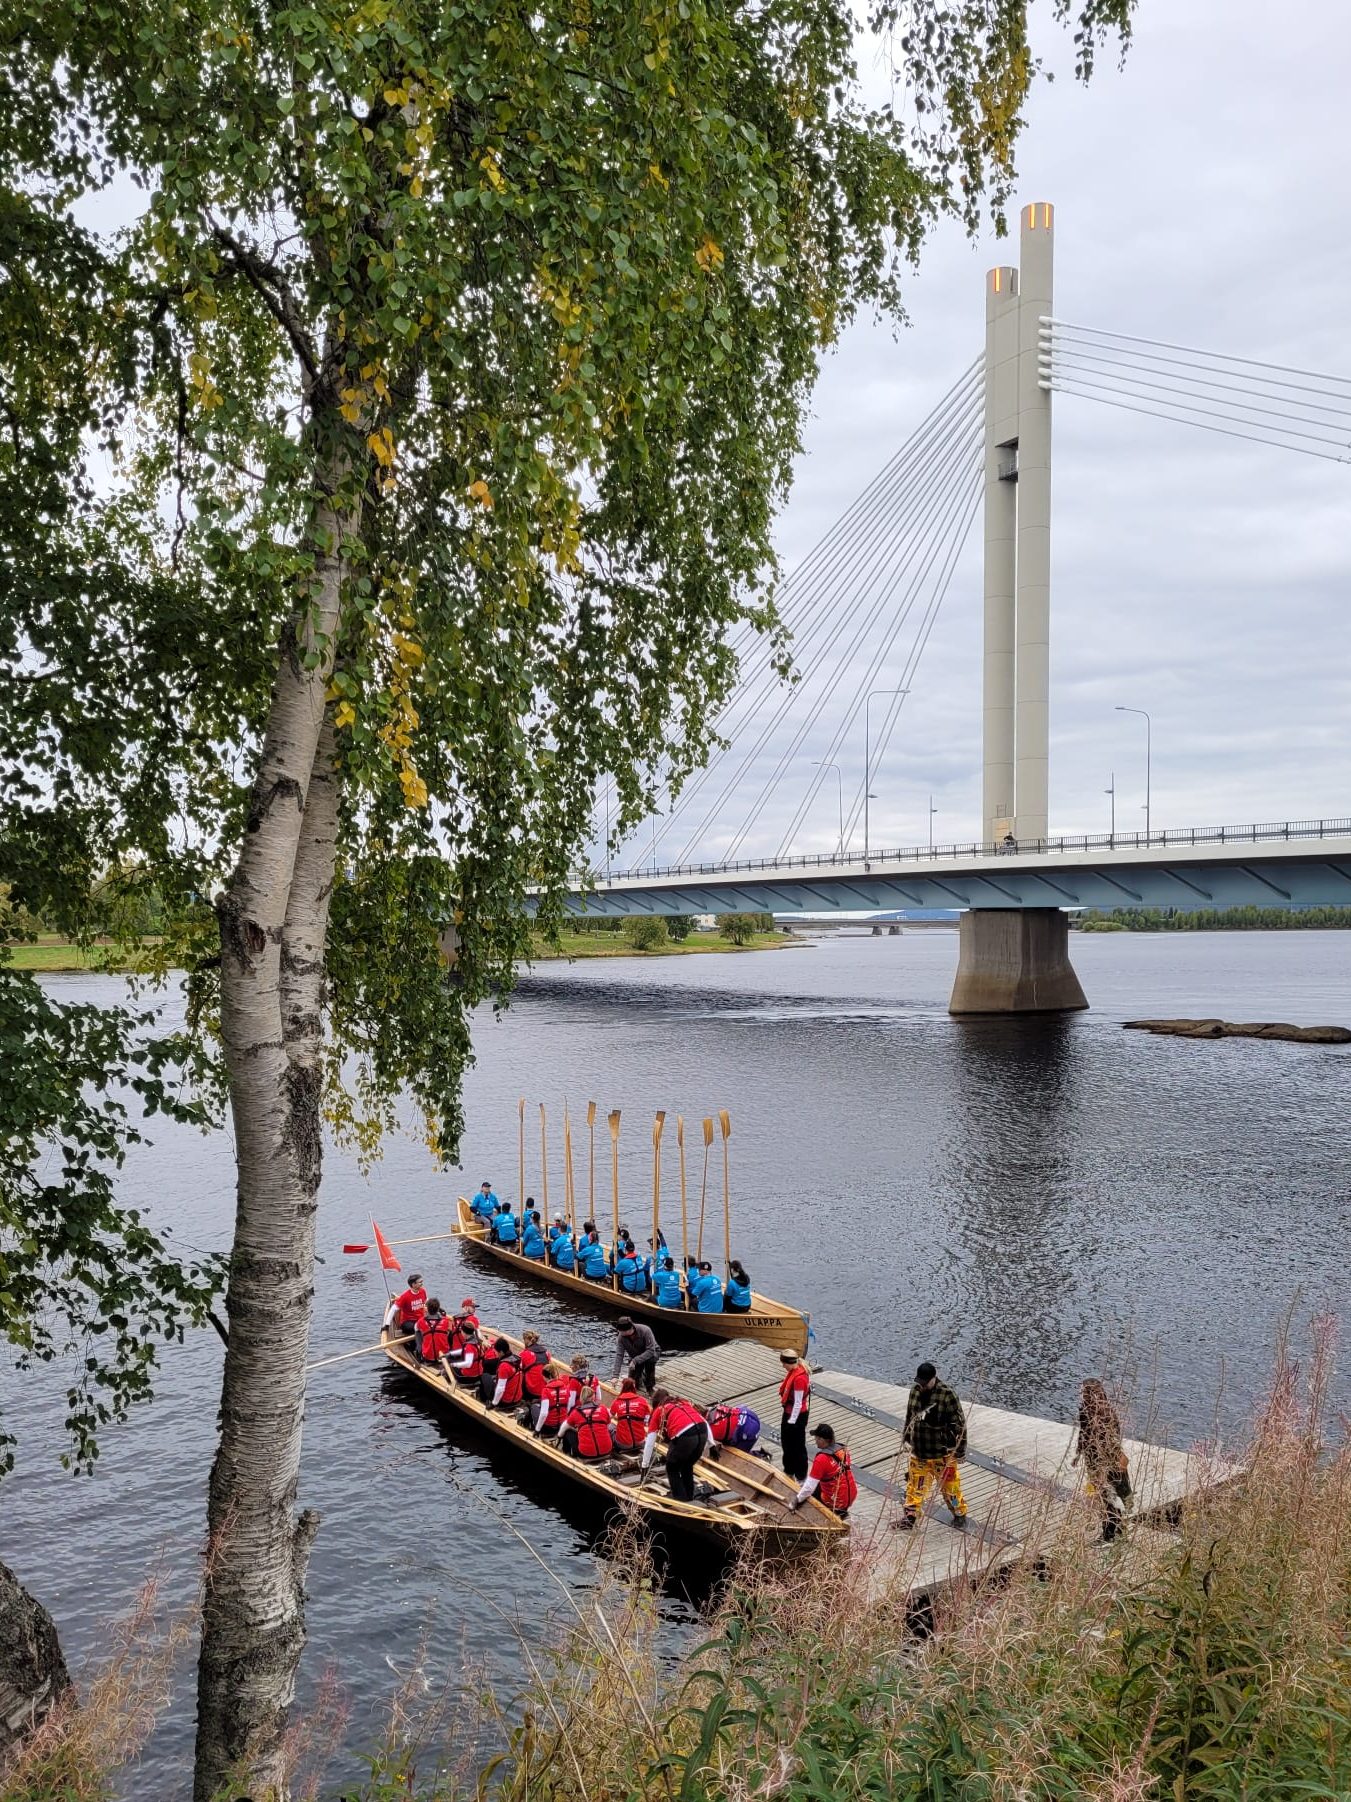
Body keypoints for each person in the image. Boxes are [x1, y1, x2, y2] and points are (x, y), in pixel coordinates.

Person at [897, 1360, 968, 1532]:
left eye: (925, 1383)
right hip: (919, 1451)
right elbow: (910, 1415)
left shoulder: (947, 1395)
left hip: (942, 1454)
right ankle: (910, 1518)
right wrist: (906, 1436)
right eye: (919, 1382)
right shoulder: (914, 1391)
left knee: (950, 1488)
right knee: (914, 1486)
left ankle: (959, 1514)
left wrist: (960, 1450)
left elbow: (959, 1424)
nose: (921, 1386)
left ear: (933, 1379)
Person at [1073, 1378, 1132, 1542]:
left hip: (1104, 1463)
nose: (1081, 1395)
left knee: (1107, 1497)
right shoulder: (1086, 1412)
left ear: (1090, 1394)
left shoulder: (1105, 1415)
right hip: (1093, 1461)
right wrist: (1078, 1454)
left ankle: (1110, 1534)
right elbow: (1083, 1435)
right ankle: (1113, 1532)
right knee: (1103, 1497)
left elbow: (1112, 1442)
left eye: (1083, 1392)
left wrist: (1104, 1468)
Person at [640, 1390, 709, 1503]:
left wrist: (644, 1467)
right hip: (703, 1431)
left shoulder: (659, 1410)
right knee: (687, 1465)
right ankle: (689, 1497)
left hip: (685, 1435)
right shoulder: (683, 1402)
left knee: (672, 1468)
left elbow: (649, 1443)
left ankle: (680, 1500)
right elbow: (703, 1421)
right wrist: (712, 1445)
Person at [788, 1423, 858, 1519]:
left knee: (808, 1495)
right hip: (851, 1494)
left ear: (822, 1440)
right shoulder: (843, 1450)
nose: (815, 1441)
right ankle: (842, 1512)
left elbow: (809, 1487)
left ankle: (821, 1516)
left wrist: (797, 1499)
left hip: (835, 1500)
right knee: (823, 1482)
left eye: (816, 1438)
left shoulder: (822, 1459)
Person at [778, 1349, 811, 1480]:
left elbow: (798, 1403)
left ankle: (801, 1475)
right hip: (788, 1412)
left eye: (784, 1364)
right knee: (786, 1444)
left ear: (789, 1363)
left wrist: (791, 1421)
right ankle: (789, 1470)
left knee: (798, 1446)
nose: (783, 1366)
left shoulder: (799, 1379)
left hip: (796, 1416)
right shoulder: (794, 1371)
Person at [612, 1317, 659, 1394]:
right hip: (635, 1355)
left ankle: (650, 1388)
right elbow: (619, 1355)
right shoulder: (621, 1337)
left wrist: (635, 1360)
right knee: (634, 1380)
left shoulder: (645, 1330)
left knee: (650, 1363)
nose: (619, 1332)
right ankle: (639, 1378)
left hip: (652, 1353)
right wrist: (615, 1376)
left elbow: (651, 1350)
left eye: (621, 1331)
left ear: (629, 1330)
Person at [562, 1394, 614, 1461]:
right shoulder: (603, 1408)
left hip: (585, 1454)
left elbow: (564, 1426)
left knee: (568, 1432)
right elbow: (608, 1426)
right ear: (593, 1399)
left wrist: (559, 1436)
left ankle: (567, 1455)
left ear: (581, 1400)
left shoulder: (576, 1412)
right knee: (610, 1429)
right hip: (607, 1451)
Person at [611, 1378, 652, 1452]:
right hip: (640, 1441)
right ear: (634, 1387)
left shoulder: (617, 1401)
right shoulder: (642, 1400)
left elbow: (609, 1417)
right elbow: (647, 1421)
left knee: (611, 1427)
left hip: (623, 1444)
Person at [534, 1364, 573, 1438]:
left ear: (545, 1377)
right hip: (561, 1425)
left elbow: (544, 1414)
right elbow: (569, 1406)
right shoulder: (565, 1387)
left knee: (533, 1407)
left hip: (548, 1428)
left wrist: (537, 1430)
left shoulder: (546, 1390)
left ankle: (533, 1428)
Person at [519, 1330, 552, 1409]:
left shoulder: (524, 1354)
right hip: (545, 1390)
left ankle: (522, 1399)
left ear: (526, 1340)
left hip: (531, 1391)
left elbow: (519, 1371)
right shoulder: (547, 1353)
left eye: (524, 1340)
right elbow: (551, 1369)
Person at [389, 1273, 428, 1340]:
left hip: (420, 1319)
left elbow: (426, 1301)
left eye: (422, 1282)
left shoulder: (423, 1291)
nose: (422, 1284)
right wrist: (387, 1325)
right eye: (420, 1282)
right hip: (408, 1322)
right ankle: (415, 1344)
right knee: (413, 1328)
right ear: (413, 1284)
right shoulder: (405, 1296)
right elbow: (393, 1309)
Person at [488, 1341, 525, 1409]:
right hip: (518, 1398)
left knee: (486, 1378)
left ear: (501, 1352)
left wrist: (494, 1403)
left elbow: (501, 1388)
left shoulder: (504, 1366)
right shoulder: (518, 1359)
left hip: (505, 1401)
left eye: (496, 1351)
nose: (495, 1353)